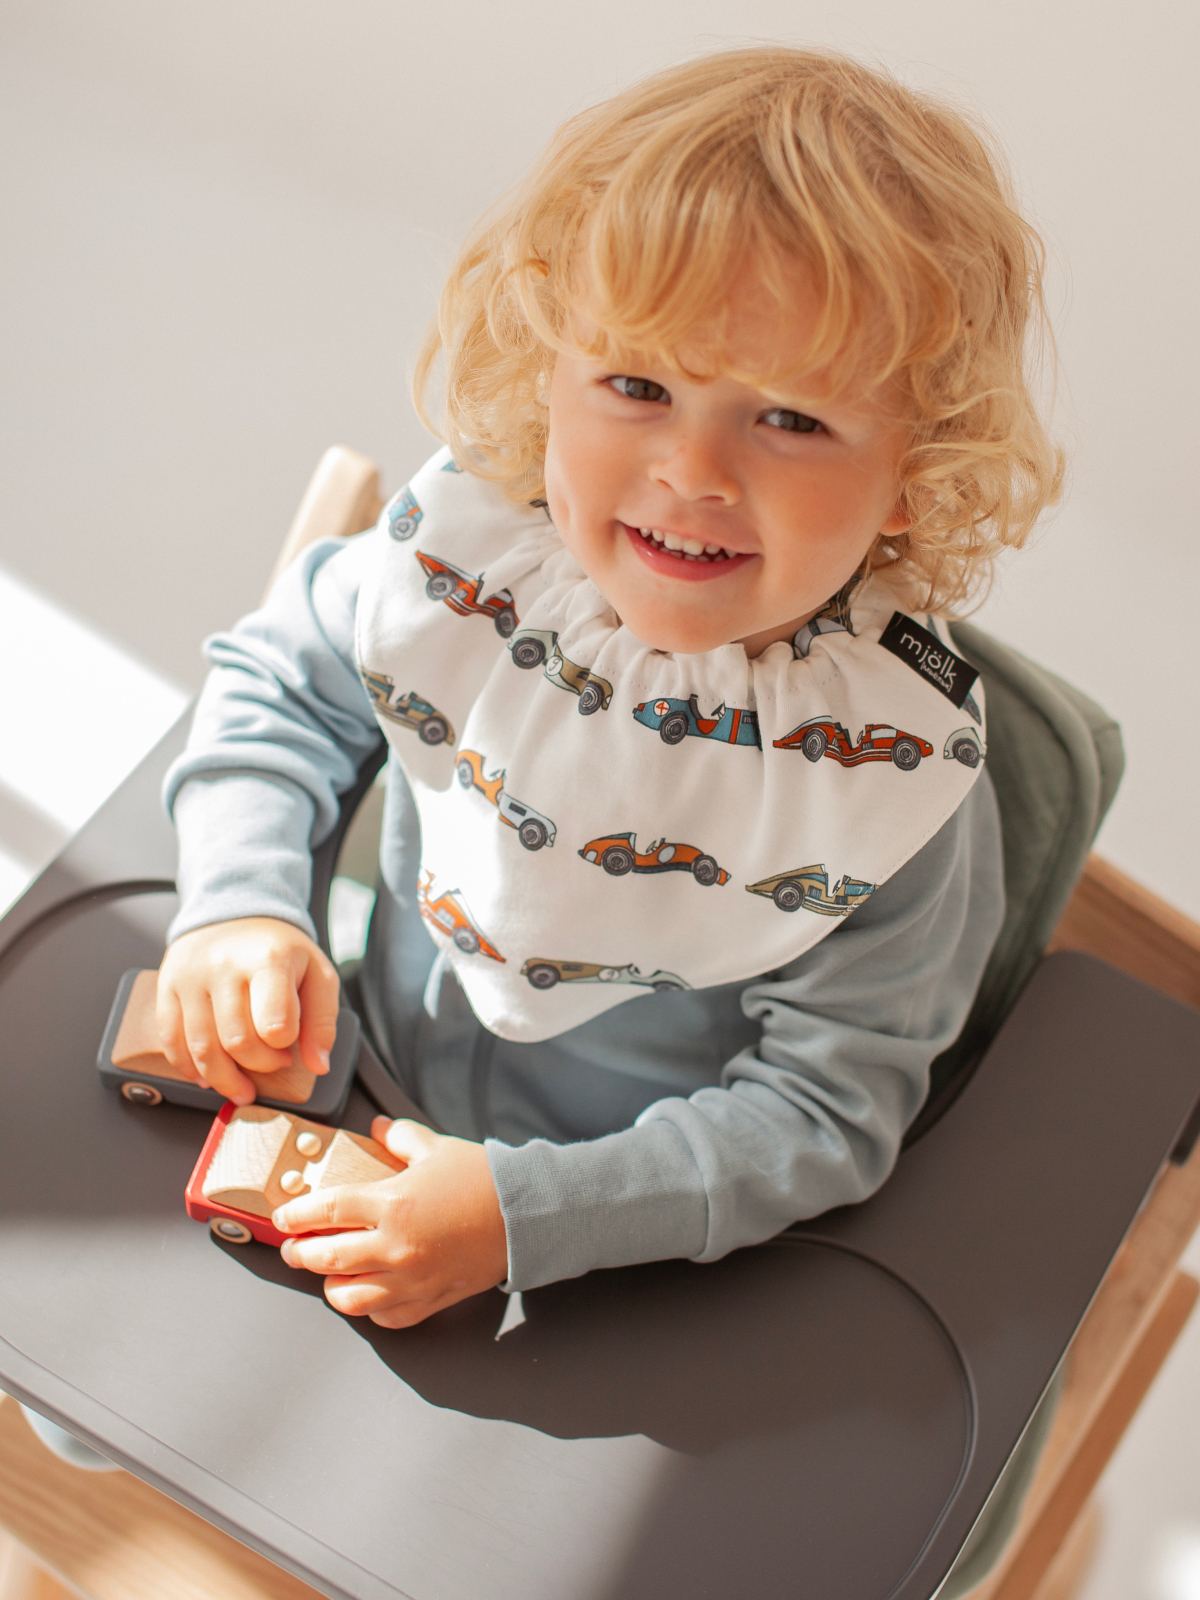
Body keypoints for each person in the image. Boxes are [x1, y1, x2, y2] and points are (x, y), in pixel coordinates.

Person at [156, 47, 1061, 1333]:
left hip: (622, 1260)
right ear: (550, 368)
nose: (693, 469)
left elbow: (820, 1115)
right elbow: (279, 690)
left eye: (792, 419)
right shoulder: (469, 564)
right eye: (639, 385)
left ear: (917, 468)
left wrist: (525, 1215)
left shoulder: (883, 781)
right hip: (353, 1083)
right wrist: (239, 905)